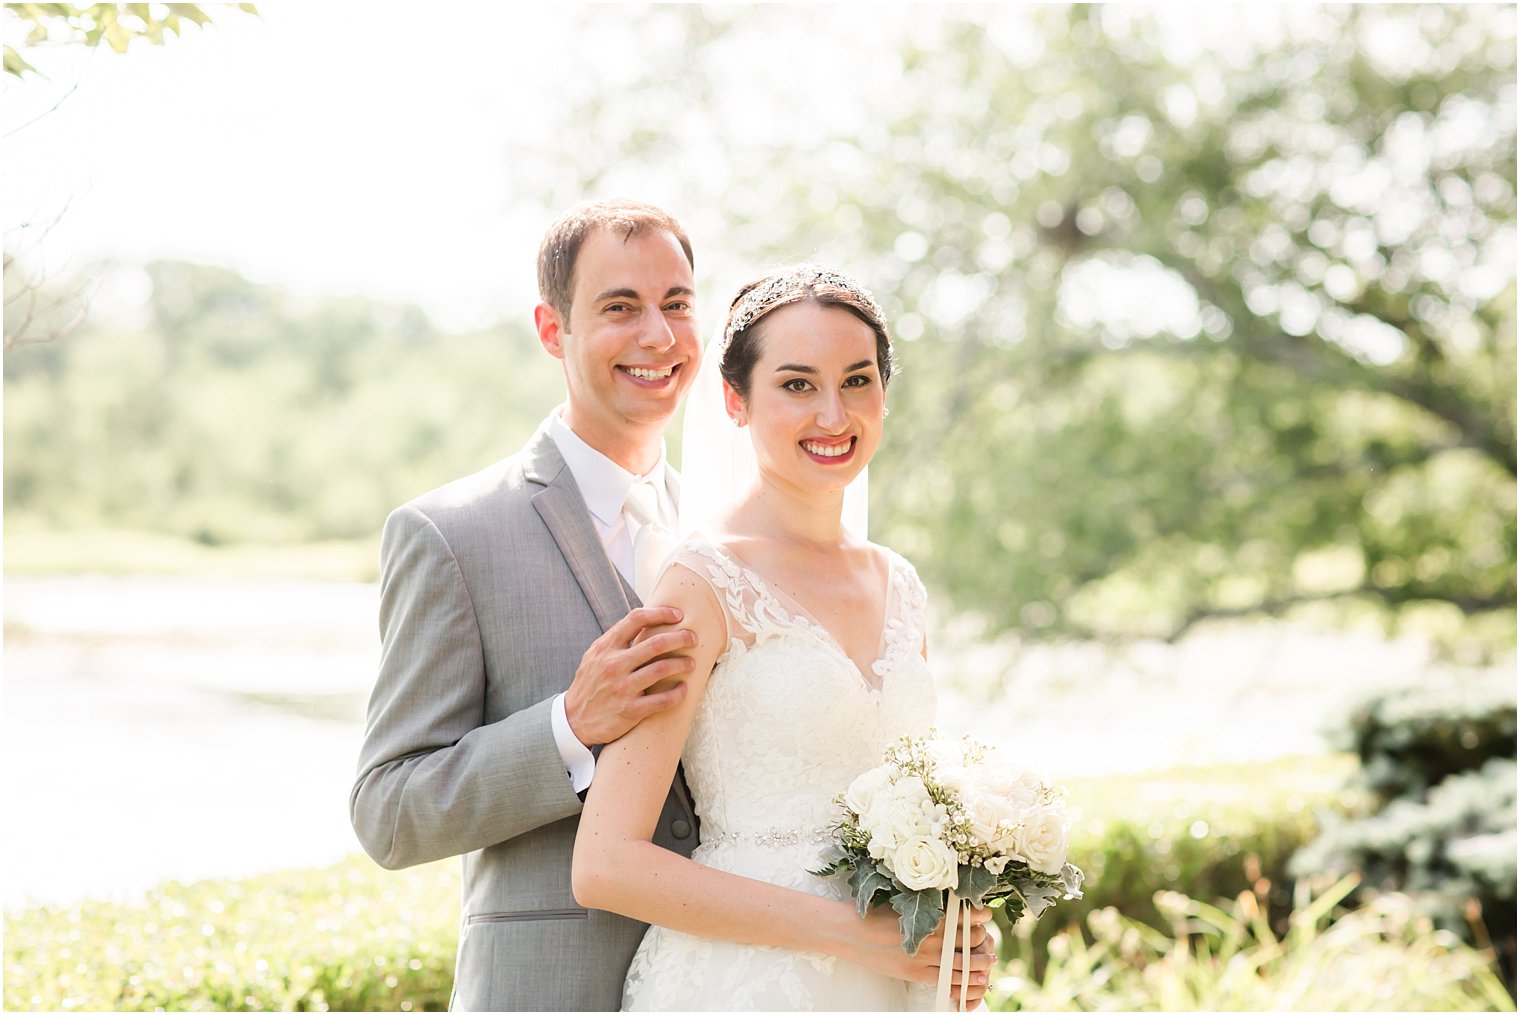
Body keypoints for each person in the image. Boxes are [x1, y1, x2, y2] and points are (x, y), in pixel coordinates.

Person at [352, 205, 988, 1011]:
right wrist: (569, 726)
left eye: (678, 303)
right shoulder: (453, 535)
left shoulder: (739, 532)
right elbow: (387, 810)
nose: (658, 334)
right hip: (558, 986)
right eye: (620, 307)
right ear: (553, 329)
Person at [573, 264, 990, 1011]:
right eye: (798, 384)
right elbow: (605, 862)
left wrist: (958, 915)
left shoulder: (900, 585)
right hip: (746, 981)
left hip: (891, 983)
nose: (834, 413)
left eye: (857, 381)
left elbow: (914, 799)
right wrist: (845, 931)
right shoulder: (701, 585)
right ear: (736, 400)